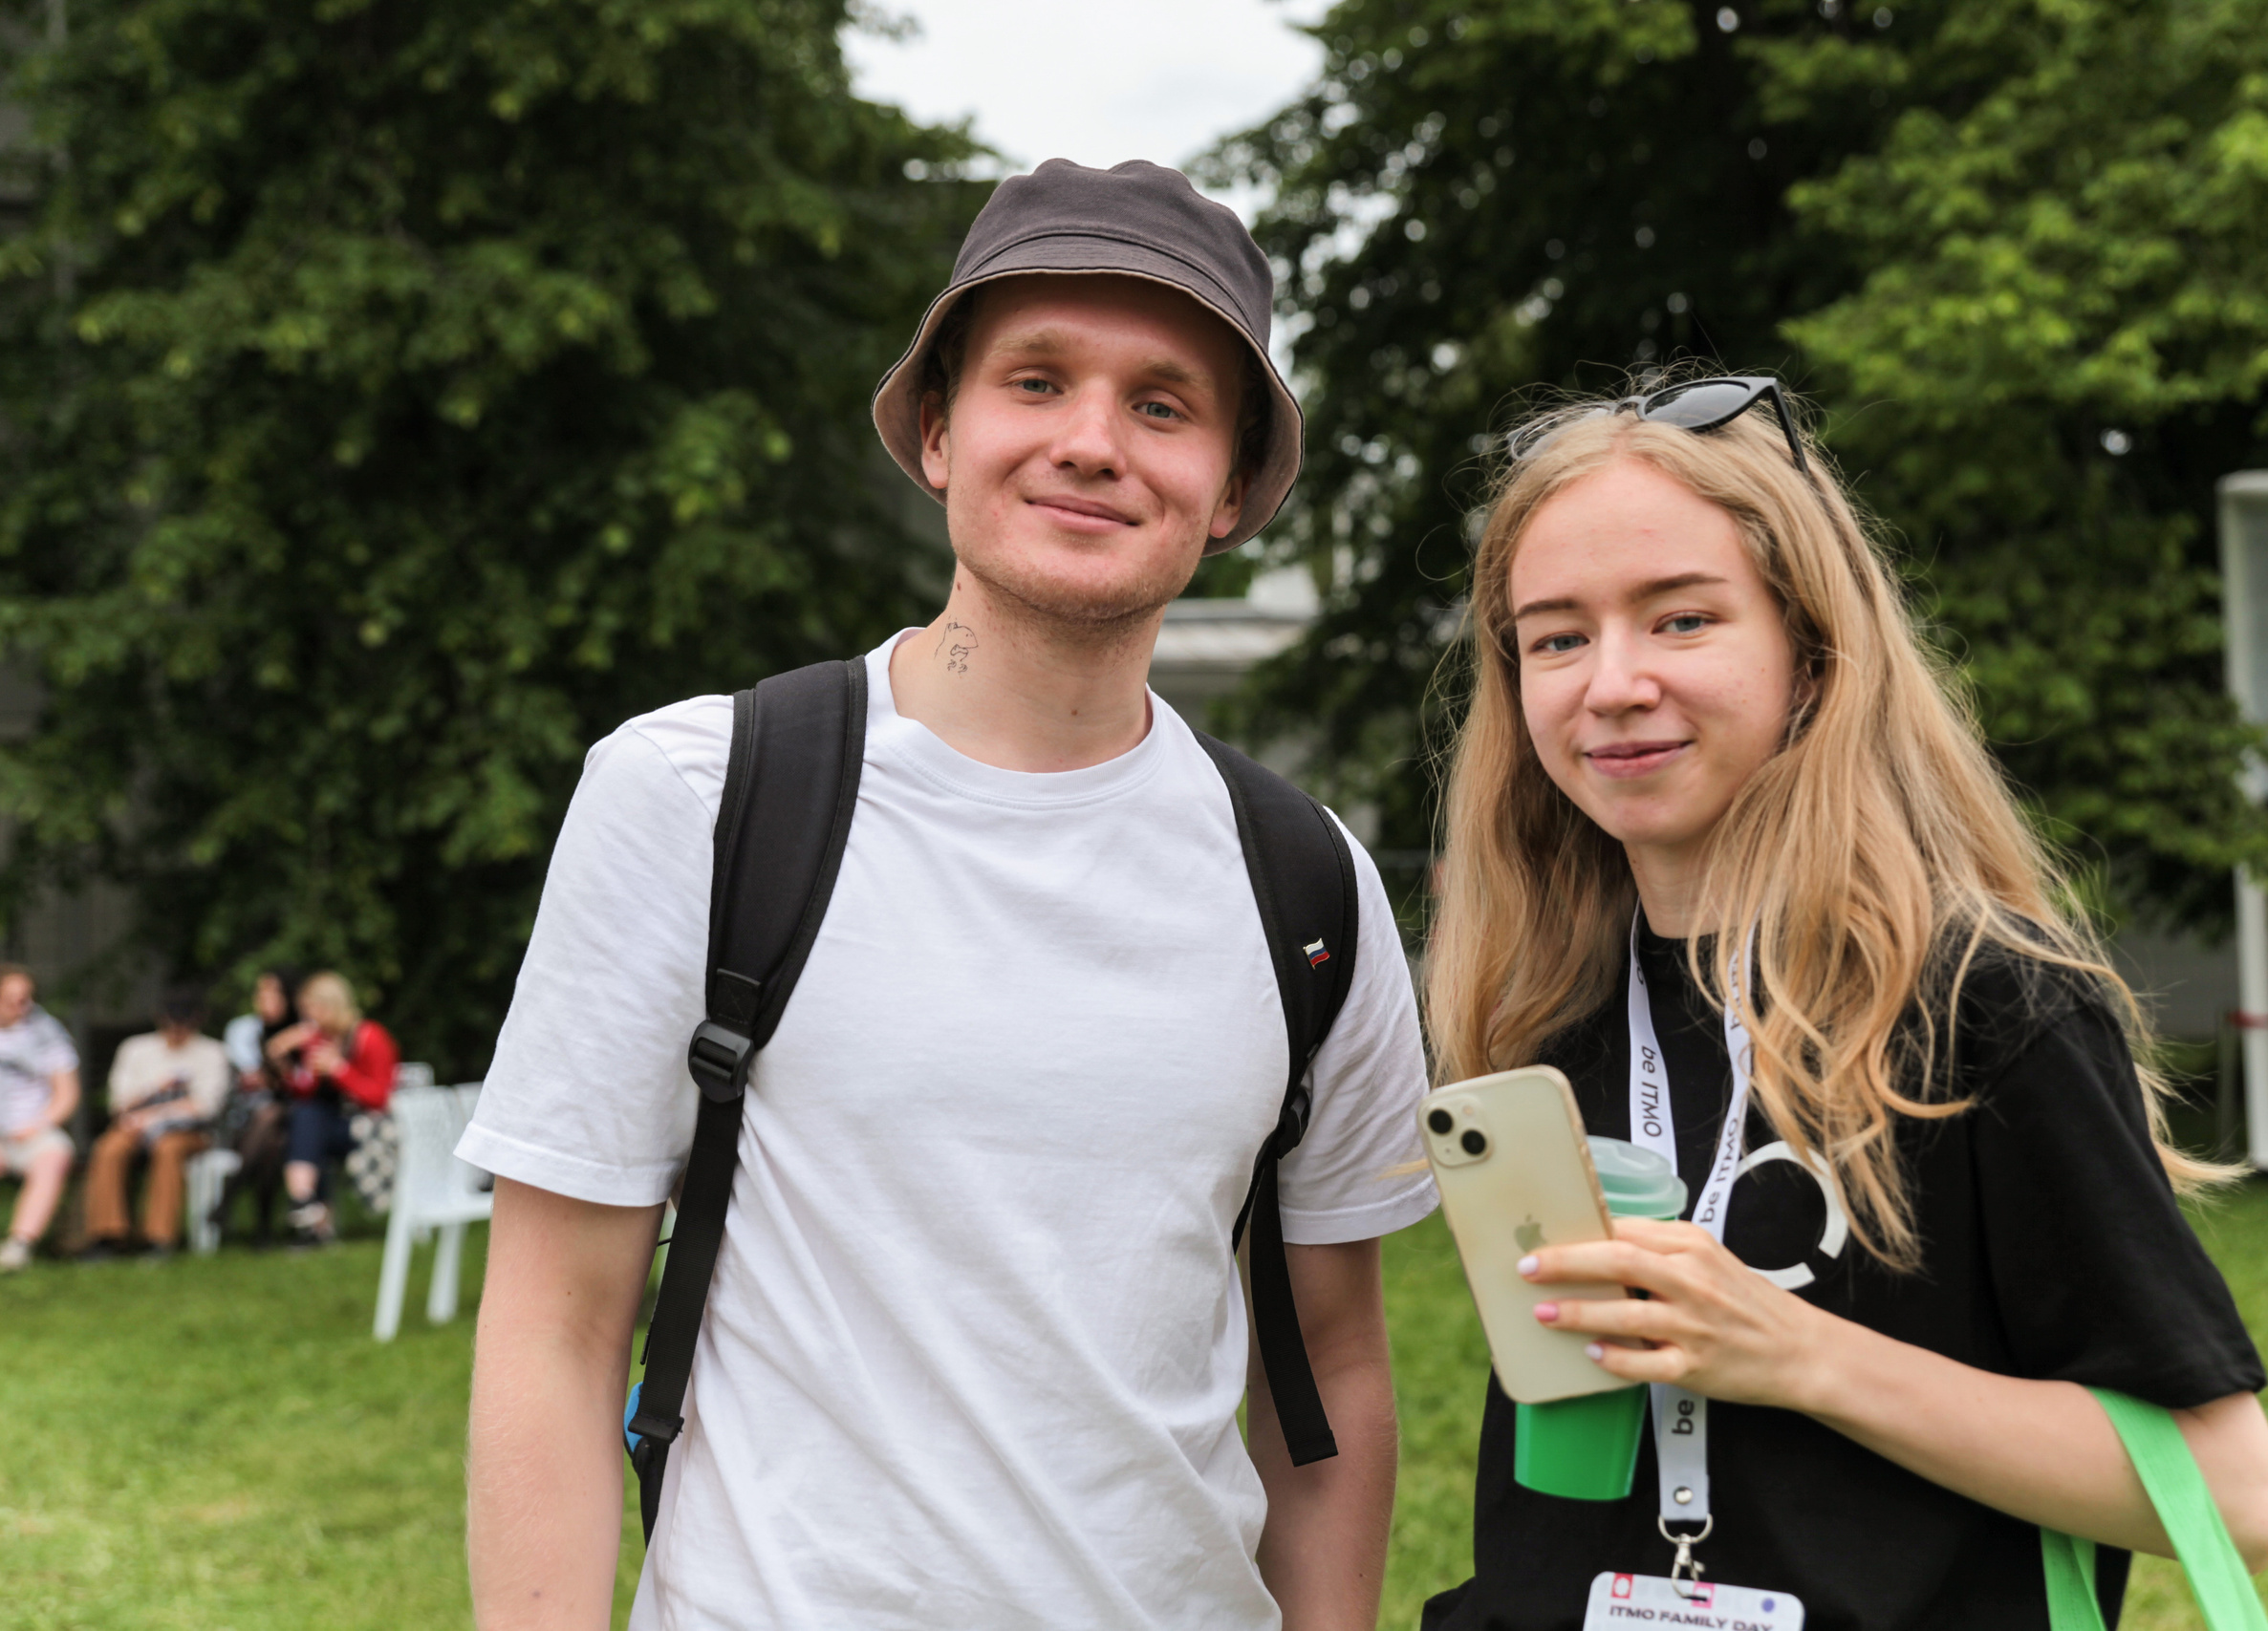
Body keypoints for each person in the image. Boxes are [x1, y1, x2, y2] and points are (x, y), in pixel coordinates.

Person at [461, 159, 1436, 1631]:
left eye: (1163, 403)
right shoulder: (698, 796)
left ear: (1233, 485)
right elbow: (555, 1323)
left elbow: (1334, 1376)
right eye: (1034, 382)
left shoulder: (1307, 881)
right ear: (936, 428)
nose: (1093, 443)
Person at [1416, 377, 2268, 1630]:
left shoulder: (1983, 1001)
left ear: (1814, 654)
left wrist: (1799, 1353)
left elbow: (2234, 1490)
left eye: (1680, 619)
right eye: (1556, 636)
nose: (1610, 681)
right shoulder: (1546, 1014)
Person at [82, 985, 232, 1257]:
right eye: (172, 1019)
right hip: (134, 1125)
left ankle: (158, 1238)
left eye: (185, 1020)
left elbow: (205, 1108)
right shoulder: (135, 1049)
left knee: (168, 1149)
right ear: (159, 1017)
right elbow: (119, 1103)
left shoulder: (212, 1052)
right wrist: (156, 1089)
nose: (177, 1027)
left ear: (198, 1019)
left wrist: (154, 1116)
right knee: (108, 1149)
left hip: (189, 1133)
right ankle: (108, 1235)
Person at [279, 970, 398, 1245]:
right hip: (335, 1125)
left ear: (331, 1006)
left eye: (312, 1010)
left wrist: (339, 1069)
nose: (308, 1018)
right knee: (307, 1116)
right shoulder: (321, 1039)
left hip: (372, 1127)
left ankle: (305, 1209)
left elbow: (379, 1098)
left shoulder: (371, 1037)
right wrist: (288, 1065)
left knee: (309, 1122)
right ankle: (306, 1207)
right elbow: (306, 1091)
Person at [0, 964, 79, 1272]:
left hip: (32, 1130)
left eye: (27, 999)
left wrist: (38, 1125)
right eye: (12, 999)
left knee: (55, 1154)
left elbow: (67, 1093)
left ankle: (18, 1247)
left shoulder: (47, 1032)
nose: (22, 1007)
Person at [218, 968, 300, 1245]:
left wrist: (279, 1065)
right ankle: (264, 1228)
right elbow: (252, 1079)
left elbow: (298, 1082)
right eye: (260, 991)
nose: (263, 997)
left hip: (297, 1116)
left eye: (272, 991)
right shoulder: (243, 1029)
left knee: (273, 1120)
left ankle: (228, 1197)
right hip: (246, 1118)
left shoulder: (303, 1028)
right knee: (271, 1133)